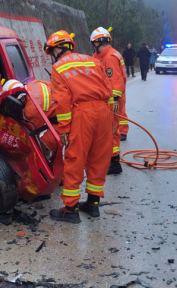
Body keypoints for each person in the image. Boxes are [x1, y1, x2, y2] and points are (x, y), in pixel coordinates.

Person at [43, 30, 113, 223]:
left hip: (82, 115)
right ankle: (93, 204)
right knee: (99, 158)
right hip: (103, 112)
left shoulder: (59, 68)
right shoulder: (92, 60)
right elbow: (108, 88)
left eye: (51, 51)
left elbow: (62, 101)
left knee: (75, 160)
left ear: (57, 48)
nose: (51, 56)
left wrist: (64, 129)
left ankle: (71, 209)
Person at [91, 27, 126, 175]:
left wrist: (115, 100)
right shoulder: (103, 55)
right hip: (108, 99)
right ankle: (109, 159)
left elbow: (115, 81)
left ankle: (114, 163)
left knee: (111, 130)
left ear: (97, 43)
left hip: (113, 100)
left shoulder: (110, 57)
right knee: (107, 130)